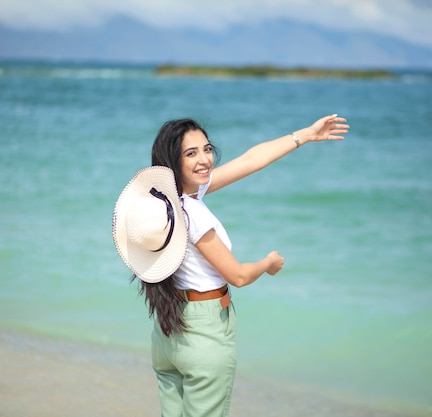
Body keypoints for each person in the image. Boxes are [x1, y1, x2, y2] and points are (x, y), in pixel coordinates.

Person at [113, 114, 348, 417]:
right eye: (191, 153)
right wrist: (268, 263)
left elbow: (250, 160)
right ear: (173, 160)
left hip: (167, 332)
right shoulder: (193, 214)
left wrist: (306, 134)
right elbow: (237, 275)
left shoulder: (164, 204)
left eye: (207, 149)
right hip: (204, 333)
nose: (205, 160)